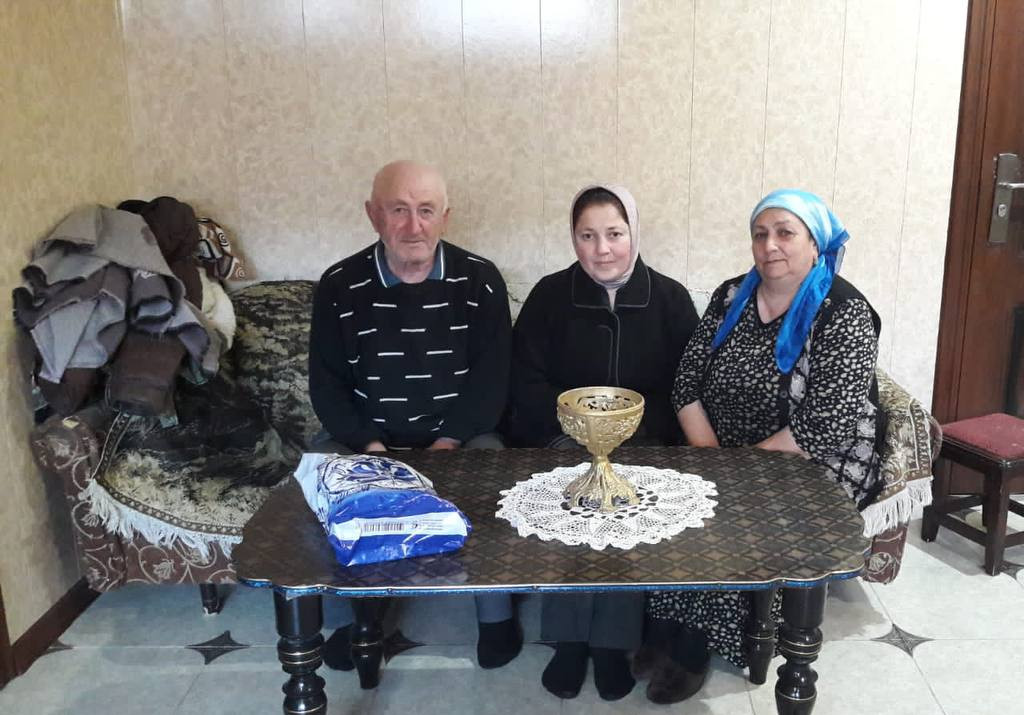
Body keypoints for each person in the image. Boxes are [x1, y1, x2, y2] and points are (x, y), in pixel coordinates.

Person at [639, 189, 887, 704]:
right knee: (675, 502)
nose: (769, 245)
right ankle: (665, 625)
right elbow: (686, 383)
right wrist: (713, 460)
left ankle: (693, 647)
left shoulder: (844, 312)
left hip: (812, 462)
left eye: (785, 233)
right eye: (760, 234)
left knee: (736, 521)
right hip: (719, 448)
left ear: (815, 244)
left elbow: (827, 426)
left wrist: (738, 472)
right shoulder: (732, 294)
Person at [308, 160, 519, 670]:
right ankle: (358, 617)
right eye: (398, 210)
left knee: (494, 468)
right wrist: (373, 452)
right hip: (368, 442)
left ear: (445, 216)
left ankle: (495, 616)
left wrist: (447, 444)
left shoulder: (481, 280)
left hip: (460, 439)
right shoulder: (338, 285)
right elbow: (327, 387)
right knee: (322, 474)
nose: (413, 226)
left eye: (426, 210)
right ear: (373, 215)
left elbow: (492, 381)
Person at [504, 184, 699, 701]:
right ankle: (569, 642)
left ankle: (612, 645)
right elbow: (524, 377)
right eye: (587, 236)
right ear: (573, 239)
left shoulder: (670, 300)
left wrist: (633, 432)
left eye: (614, 233)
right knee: (570, 500)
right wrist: (570, 432)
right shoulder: (550, 296)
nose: (602, 249)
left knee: (625, 512)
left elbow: (687, 384)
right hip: (563, 438)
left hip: (644, 442)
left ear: (634, 232)